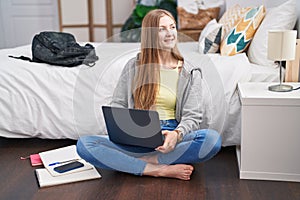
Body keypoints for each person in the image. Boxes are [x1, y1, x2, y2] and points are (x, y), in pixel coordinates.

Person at [76, 9, 221, 181]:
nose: (170, 33)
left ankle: (146, 161)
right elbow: (118, 104)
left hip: (171, 138)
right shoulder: (133, 66)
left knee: (211, 140)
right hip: (137, 136)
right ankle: (157, 169)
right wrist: (126, 128)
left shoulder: (190, 72)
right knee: (85, 145)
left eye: (172, 27)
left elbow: (192, 116)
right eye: (162, 29)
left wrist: (177, 134)